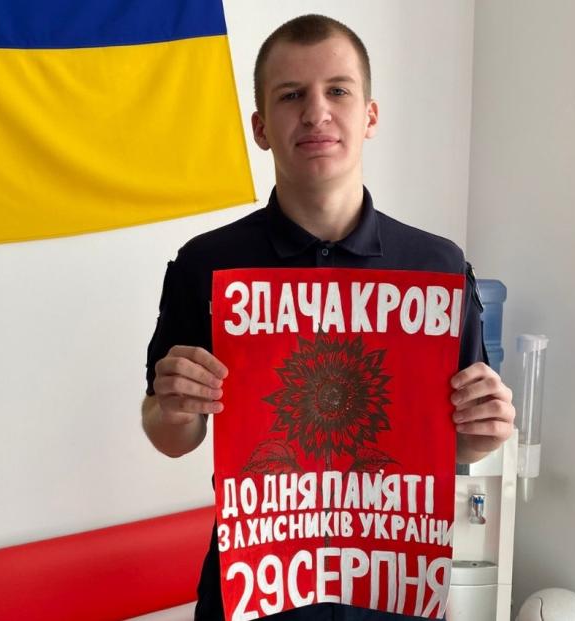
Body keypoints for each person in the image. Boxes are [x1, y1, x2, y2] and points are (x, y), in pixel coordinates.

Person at [142, 14, 515, 621]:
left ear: (370, 115)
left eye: (338, 90)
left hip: (393, 590)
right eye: (291, 95)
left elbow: (455, 446)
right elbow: (170, 436)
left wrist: (484, 430)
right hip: (255, 589)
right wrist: (173, 407)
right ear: (261, 128)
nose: (316, 112)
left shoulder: (438, 268)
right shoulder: (205, 266)